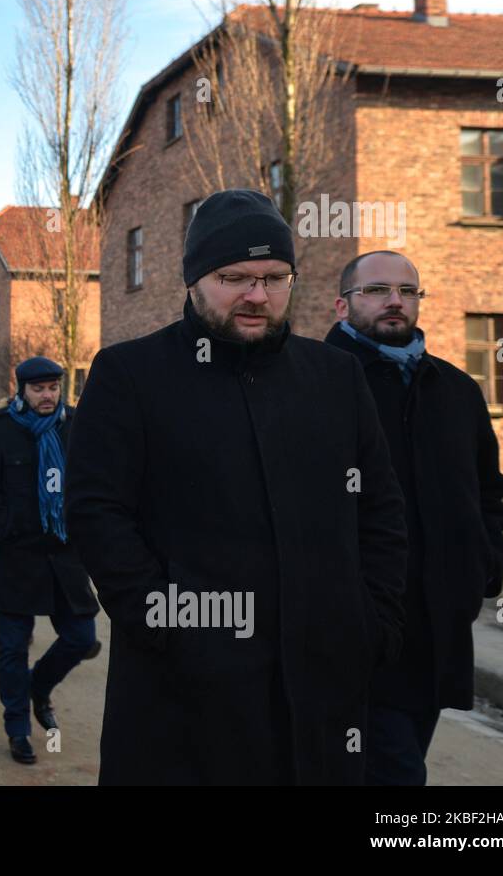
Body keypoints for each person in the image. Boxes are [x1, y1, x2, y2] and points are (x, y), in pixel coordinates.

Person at [66, 189, 408, 785]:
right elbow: (97, 513)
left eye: (276, 278)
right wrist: (165, 623)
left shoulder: (334, 377)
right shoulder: (130, 375)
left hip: (318, 695)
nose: (258, 295)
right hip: (179, 702)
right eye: (235, 277)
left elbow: (381, 512)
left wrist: (371, 622)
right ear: (194, 278)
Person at [324, 251, 503, 785]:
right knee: (395, 775)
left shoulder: (455, 391)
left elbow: (490, 493)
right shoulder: (315, 385)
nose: (395, 301)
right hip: (351, 633)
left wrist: (483, 564)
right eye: (378, 290)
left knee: (398, 765)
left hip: (434, 631)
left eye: (408, 291)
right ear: (343, 305)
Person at [0, 356, 100, 765]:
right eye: (38, 389)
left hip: (66, 555)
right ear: (22, 391)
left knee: (82, 637)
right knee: (12, 649)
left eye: (53, 388)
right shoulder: (0, 428)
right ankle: (18, 730)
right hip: (19, 555)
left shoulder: (76, 426)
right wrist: (5, 528)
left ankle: (38, 688)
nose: (47, 396)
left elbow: (92, 478)